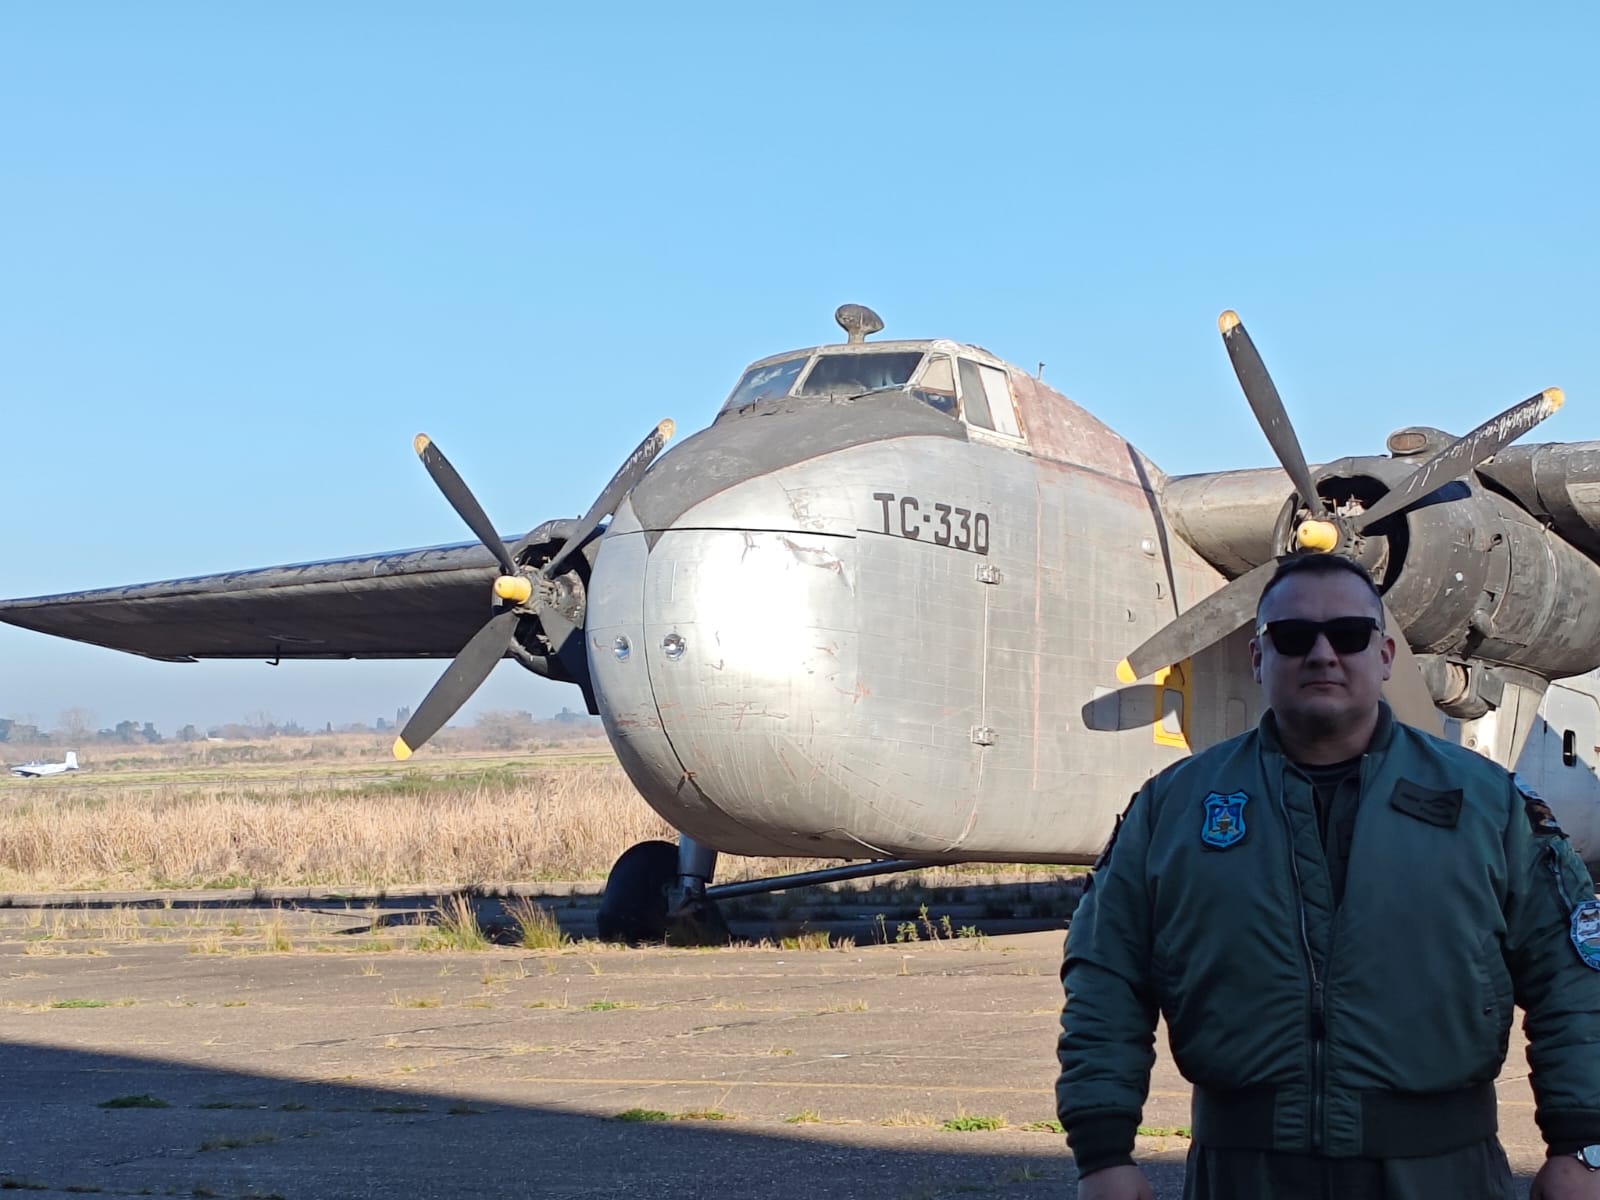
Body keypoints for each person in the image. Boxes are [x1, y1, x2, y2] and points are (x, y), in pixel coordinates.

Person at [1056, 553, 1600, 1199]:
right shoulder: (1172, 808)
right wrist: (1102, 1153)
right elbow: (1105, 973)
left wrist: (1583, 1144)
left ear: (1386, 655)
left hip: (1440, 1173)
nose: (1322, 654)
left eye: (1347, 634)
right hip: (1243, 1174)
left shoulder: (1488, 805)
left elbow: (1571, 973)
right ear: (1259, 659)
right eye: (1292, 637)